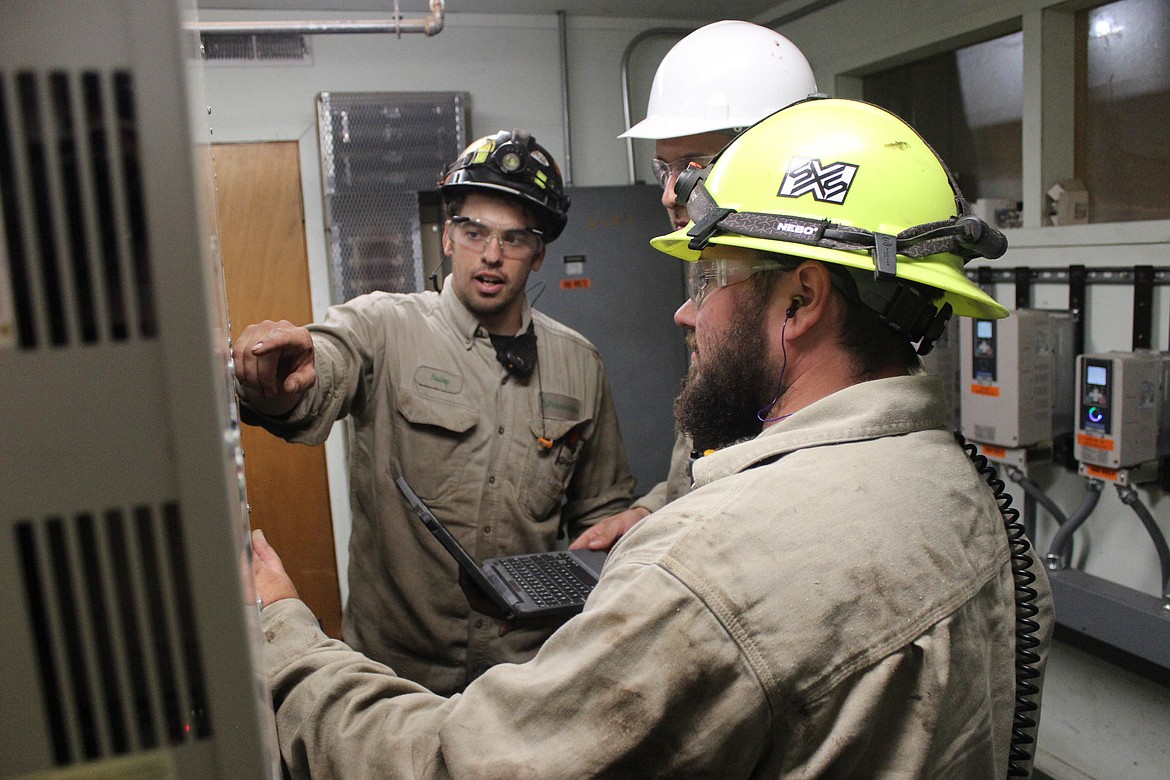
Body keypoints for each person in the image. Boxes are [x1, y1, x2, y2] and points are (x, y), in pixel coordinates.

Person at [252, 97, 1053, 778]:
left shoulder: (706, 569)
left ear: (803, 300)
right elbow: (330, 361)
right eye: (471, 230)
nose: (684, 311)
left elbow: (454, 766)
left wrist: (284, 634)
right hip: (417, 669)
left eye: (709, 280)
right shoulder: (975, 501)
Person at [233, 129, 636, 695]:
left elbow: (602, 516)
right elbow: (324, 366)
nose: (491, 254)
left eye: (514, 238)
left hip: (522, 678)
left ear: (539, 251)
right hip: (394, 677)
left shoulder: (579, 364)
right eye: (474, 232)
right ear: (448, 237)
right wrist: (278, 381)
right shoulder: (384, 327)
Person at [572, 20, 818, 551]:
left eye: (693, 167)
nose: (667, 193)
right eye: (664, 166)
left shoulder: (816, 298)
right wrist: (651, 510)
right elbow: (708, 453)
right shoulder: (714, 262)